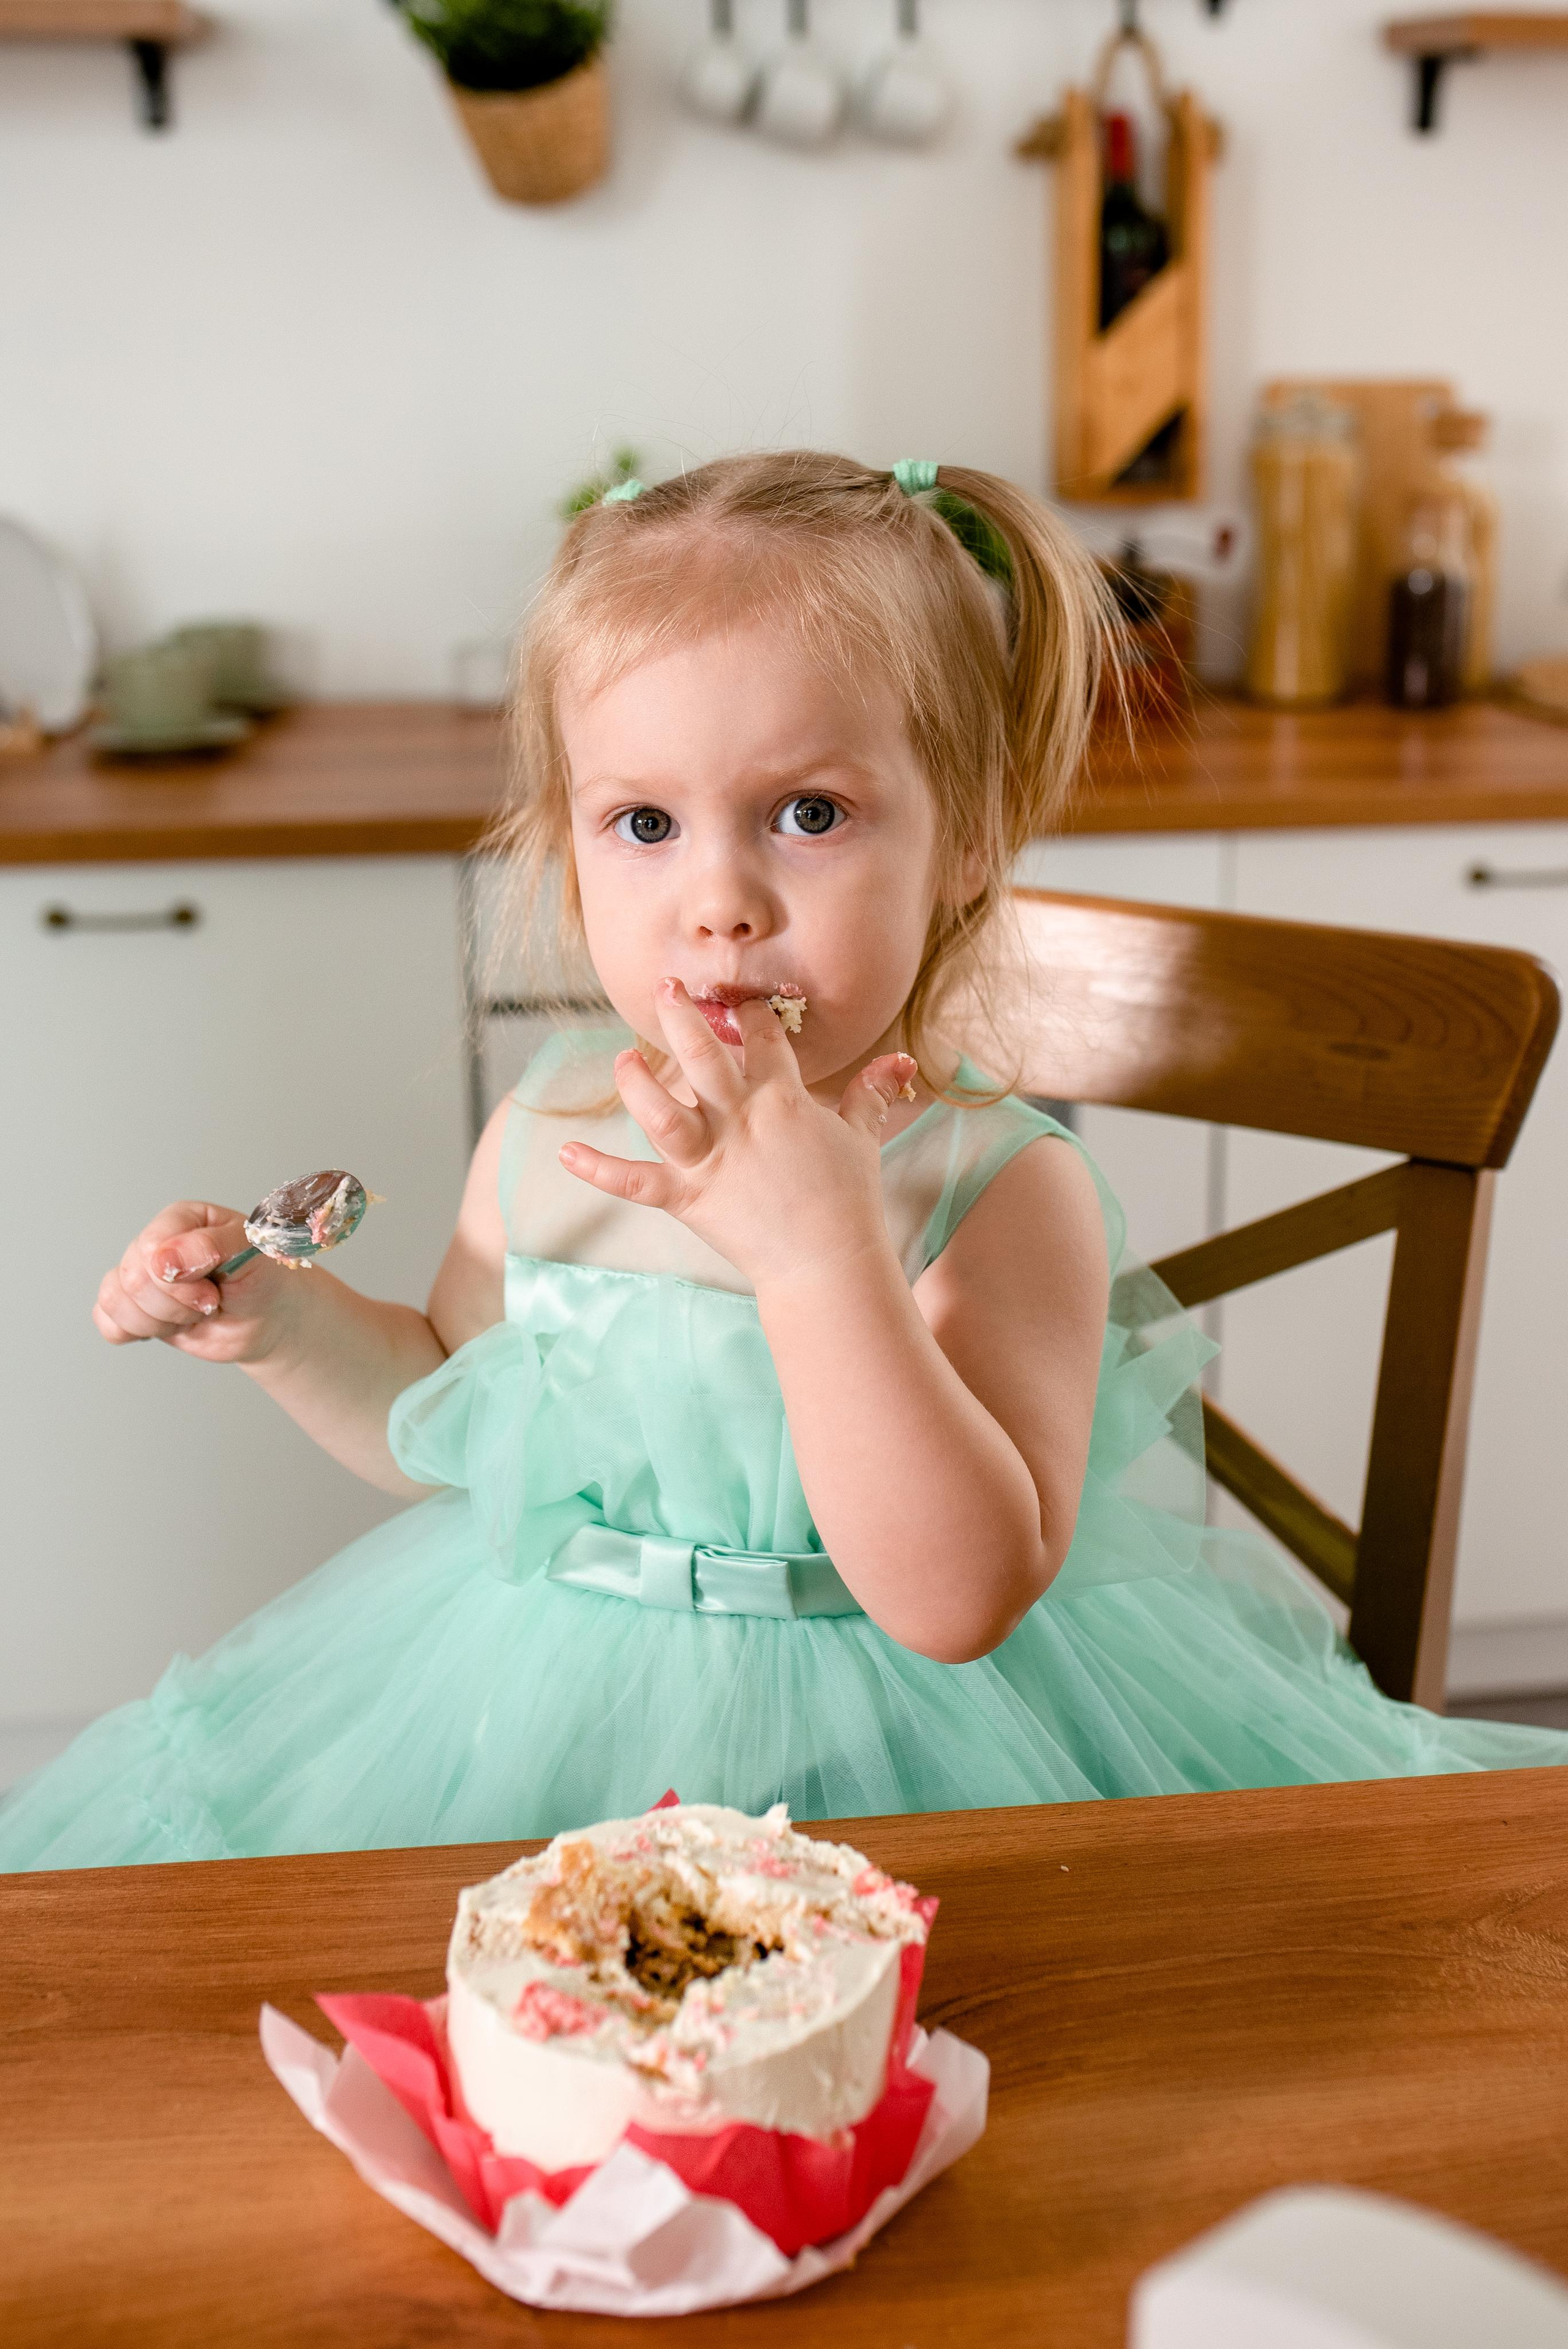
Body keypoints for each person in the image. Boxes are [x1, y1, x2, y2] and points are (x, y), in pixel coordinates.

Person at [2, 452, 1561, 1870]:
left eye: (806, 813)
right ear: (566, 845)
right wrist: (279, 1329)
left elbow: (955, 1600)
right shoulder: (553, 1128)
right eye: (642, 824)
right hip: (549, 1751)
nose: (720, 900)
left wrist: (820, 1255)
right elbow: (449, 1429)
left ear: (962, 839)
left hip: (913, 1792)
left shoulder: (987, 1191)